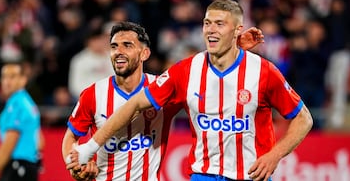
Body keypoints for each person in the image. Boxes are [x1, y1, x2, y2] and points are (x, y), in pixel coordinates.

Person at [69, 0, 313, 181]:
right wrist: (90, 147)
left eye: (220, 24)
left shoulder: (263, 71)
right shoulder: (186, 71)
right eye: (207, 23)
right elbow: (134, 104)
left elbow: (303, 119)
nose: (210, 29)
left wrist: (275, 155)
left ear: (237, 29)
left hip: (251, 175)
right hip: (203, 175)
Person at [62, 21, 264, 181]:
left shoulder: (162, 89)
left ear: (145, 53)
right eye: (114, 46)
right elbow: (70, 138)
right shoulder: (93, 94)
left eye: (127, 45)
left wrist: (232, 47)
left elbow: (199, 73)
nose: (119, 51)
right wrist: (76, 167)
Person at [0, 62, 43, 181]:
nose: (7, 81)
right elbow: (40, 141)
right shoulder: (28, 103)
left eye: (12, 76)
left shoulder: (16, 104)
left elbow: (10, 141)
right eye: (4, 76)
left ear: (23, 80)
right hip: (28, 167)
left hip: (17, 166)